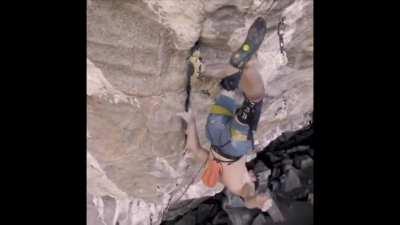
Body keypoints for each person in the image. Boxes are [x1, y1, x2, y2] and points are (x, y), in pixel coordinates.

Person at [177, 17, 271, 212]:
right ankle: (241, 64)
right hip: (214, 130)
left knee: (255, 99)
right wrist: (191, 120)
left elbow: (248, 198)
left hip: (235, 146)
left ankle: (247, 66)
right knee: (228, 89)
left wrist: (259, 202)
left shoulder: (241, 187)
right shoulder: (217, 170)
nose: (253, 176)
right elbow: (194, 148)